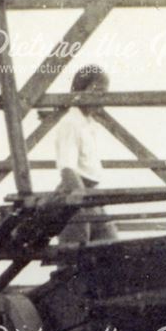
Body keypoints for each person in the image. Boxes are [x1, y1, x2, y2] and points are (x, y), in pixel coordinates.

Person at [53, 64, 118, 245]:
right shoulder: (71, 123)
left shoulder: (88, 123)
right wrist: (79, 204)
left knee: (110, 246)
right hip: (76, 193)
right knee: (75, 253)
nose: (100, 97)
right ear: (80, 89)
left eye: (104, 92)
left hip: (91, 195)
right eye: (96, 91)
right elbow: (67, 169)